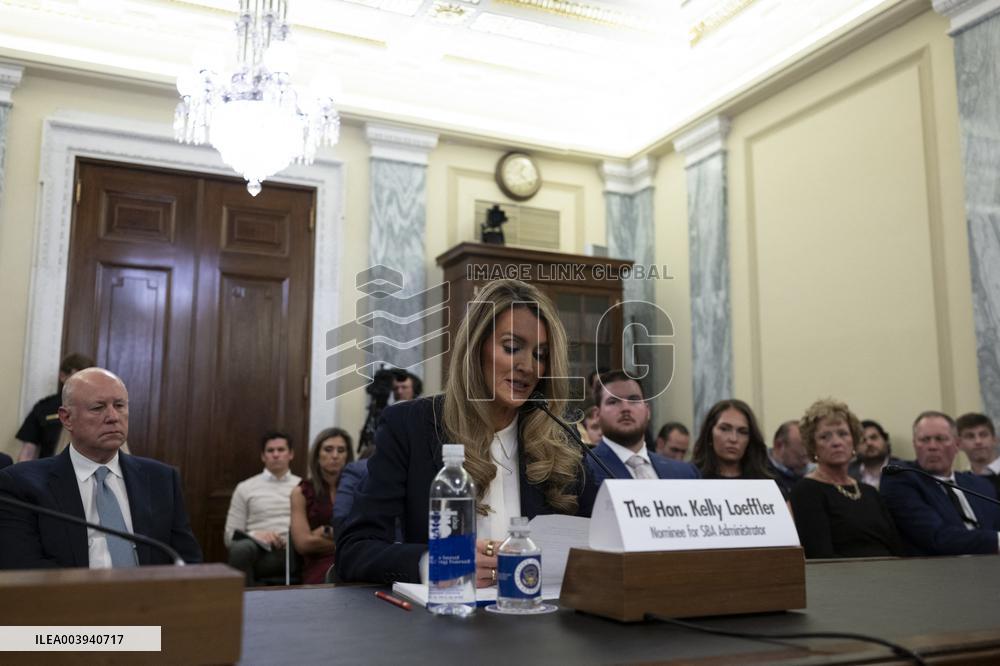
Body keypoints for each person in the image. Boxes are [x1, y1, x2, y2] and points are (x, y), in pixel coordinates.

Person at [336, 278, 594, 586]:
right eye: (512, 348)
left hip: (537, 620)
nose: (528, 366)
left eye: (541, 355)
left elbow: (601, 544)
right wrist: (432, 564)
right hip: (442, 621)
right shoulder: (410, 426)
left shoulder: (560, 440)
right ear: (475, 349)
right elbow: (355, 549)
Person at [0, 368, 202, 568]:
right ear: (66, 418)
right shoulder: (21, 484)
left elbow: (187, 560)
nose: (113, 416)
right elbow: (23, 567)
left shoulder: (161, 479)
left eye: (120, 405)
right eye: (98, 408)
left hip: (150, 598)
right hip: (69, 599)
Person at [789, 399, 903, 559]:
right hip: (844, 580)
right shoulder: (806, 490)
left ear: (854, 441)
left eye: (843, 434)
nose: (836, 442)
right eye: (825, 437)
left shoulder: (870, 492)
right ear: (813, 446)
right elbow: (821, 556)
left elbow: (897, 548)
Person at [881, 411, 1000, 556]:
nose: (932, 446)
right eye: (924, 439)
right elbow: (937, 537)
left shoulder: (980, 485)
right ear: (915, 444)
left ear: (957, 444)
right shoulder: (901, 478)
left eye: (940, 439)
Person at [585, 371, 699, 487]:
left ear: (647, 411)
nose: (625, 408)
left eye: (634, 400)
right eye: (613, 401)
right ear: (597, 415)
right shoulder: (583, 471)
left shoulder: (686, 473)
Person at [224, 432, 302, 586]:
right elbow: (229, 536)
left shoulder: (303, 486)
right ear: (263, 456)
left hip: (293, 549)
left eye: (281, 450)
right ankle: (246, 606)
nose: (275, 455)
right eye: (270, 450)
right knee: (239, 550)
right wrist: (256, 535)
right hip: (256, 550)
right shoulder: (245, 487)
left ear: (291, 454)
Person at [290, 428, 352, 584]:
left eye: (341, 450)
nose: (335, 456)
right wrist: (345, 542)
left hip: (354, 558)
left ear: (347, 456)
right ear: (317, 455)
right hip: (319, 563)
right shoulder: (301, 492)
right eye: (328, 449)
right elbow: (303, 544)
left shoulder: (358, 489)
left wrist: (326, 533)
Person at [15, 353, 95, 462]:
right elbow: (27, 453)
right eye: (79, 378)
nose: (85, 384)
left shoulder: (101, 407)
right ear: (63, 376)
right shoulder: (45, 407)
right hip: (49, 472)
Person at [691, 399, 772, 481]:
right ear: (709, 433)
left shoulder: (766, 482)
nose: (733, 439)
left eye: (742, 432)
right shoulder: (690, 477)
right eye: (724, 429)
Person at [956, 413, 999, 495]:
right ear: (959, 444)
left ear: (995, 439)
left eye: (983, 435)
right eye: (970, 436)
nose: (978, 441)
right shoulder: (960, 483)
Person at [847, 419, 898, 489]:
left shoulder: (903, 470)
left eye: (874, 438)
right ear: (855, 447)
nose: (869, 443)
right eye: (863, 440)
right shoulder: (846, 473)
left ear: (886, 441)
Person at [767, 421, 810, 496]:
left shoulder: (814, 472)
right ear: (779, 446)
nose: (809, 452)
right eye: (803, 445)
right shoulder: (757, 474)